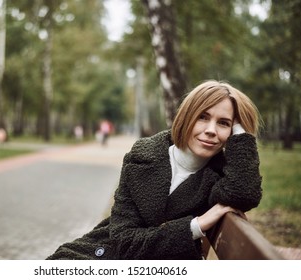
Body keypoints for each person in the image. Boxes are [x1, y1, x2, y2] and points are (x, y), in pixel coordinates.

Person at [46, 80, 263, 260]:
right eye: (203, 117)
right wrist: (196, 225)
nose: (210, 130)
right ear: (187, 116)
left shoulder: (220, 177)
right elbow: (124, 241)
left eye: (224, 123)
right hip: (105, 252)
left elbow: (244, 192)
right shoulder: (142, 158)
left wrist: (242, 136)